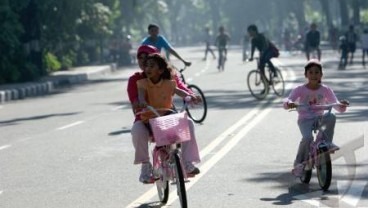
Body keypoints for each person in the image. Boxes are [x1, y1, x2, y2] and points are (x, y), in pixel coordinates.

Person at [127, 45, 200, 184]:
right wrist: (138, 103)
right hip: (146, 119)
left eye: (148, 59)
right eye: (140, 58)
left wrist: (192, 96)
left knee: (188, 122)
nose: (143, 62)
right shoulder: (137, 80)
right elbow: (136, 98)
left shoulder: (169, 78)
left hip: (166, 116)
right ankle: (145, 167)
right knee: (137, 131)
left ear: (160, 66)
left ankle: (187, 163)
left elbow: (180, 88)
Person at [283, 59, 349, 177]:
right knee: (307, 138)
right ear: (306, 74)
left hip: (320, 118)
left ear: (321, 75)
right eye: (311, 72)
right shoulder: (300, 89)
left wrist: (341, 105)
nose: (314, 75)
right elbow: (289, 100)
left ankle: (326, 142)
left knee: (331, 115)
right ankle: (299, 164)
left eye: (317, 72)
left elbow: (335, 104)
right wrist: (289, 103)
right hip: (305, 119)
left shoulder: (325, 90)